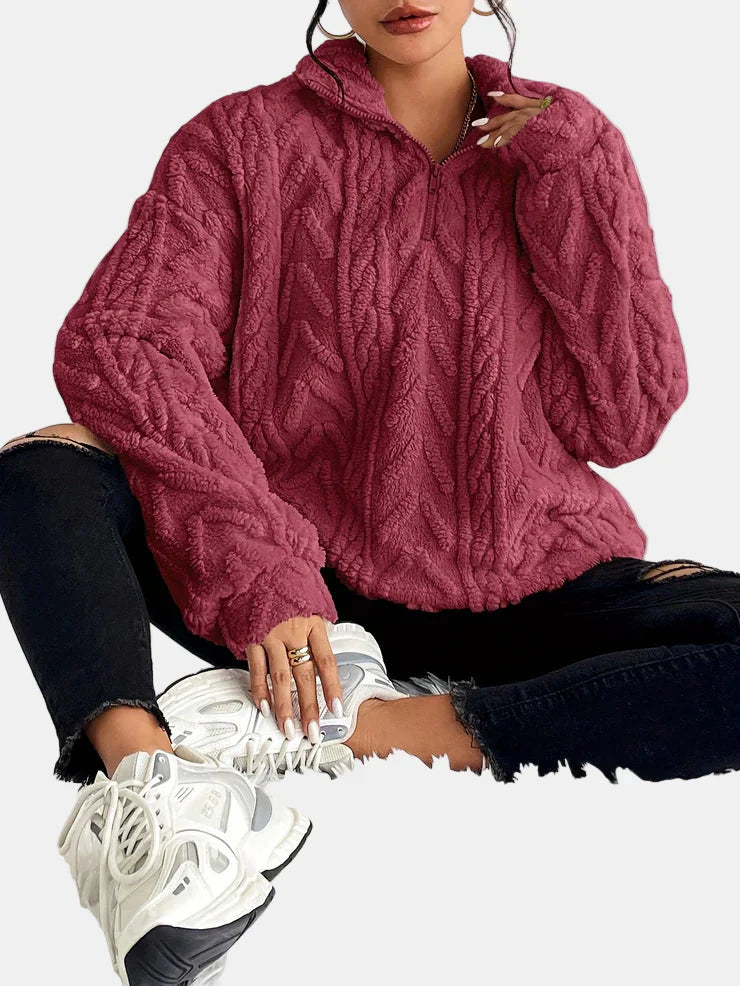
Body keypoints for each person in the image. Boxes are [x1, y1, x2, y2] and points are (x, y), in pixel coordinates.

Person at [2, 2, 740, 983]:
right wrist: (261, 567)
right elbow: (125, 346)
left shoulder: (563, 145)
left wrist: (571, 180)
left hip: (533, 586)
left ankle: (353, 728)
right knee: (43, 466)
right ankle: (152, 779)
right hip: (303, 605)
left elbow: (626, 419)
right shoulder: (240, 141)